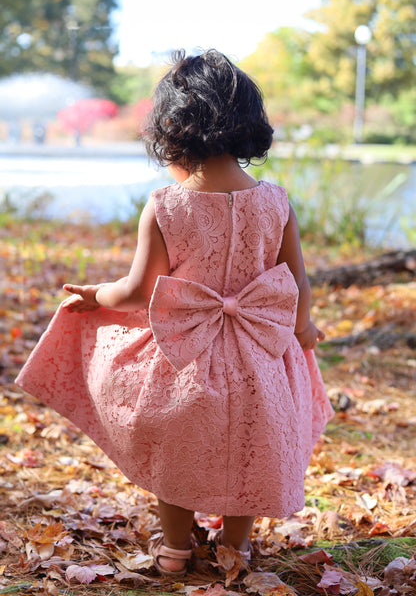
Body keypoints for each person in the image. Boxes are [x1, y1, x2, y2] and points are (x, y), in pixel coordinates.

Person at [16, 49, 334, 577]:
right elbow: (297, 282)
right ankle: (237, 547)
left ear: (173, 127)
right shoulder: (277, 202)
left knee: (174, 449)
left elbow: (139, 291)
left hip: (185, 362)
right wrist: (302, 329)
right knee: (254, 445)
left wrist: (96, 296)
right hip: (260, 361)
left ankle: (175, 550)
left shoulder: (166, 205)